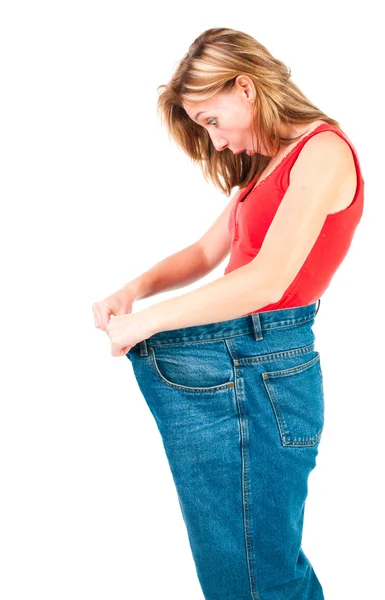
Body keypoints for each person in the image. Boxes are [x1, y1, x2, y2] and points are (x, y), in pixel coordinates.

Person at [92, 27, 364, 600]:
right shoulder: (268, 166)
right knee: (244, 569)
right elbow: (205, 254)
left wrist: (150, 321)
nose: (214, 142)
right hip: (244, 362)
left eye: (211, 120)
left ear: (245, 87)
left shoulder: (324, 151)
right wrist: (132, 291)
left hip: (263, 368)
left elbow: (266, 281)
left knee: (255, 577)